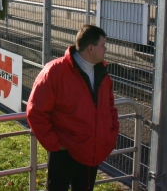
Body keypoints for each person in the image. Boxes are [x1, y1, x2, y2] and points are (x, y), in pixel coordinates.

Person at [26, 24, 119, 191]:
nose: (105, 49)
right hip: (64, 152)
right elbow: (36, 111)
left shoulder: (101, 72)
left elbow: (110, 106)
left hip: (92, 150)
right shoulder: (55, 71)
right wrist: (56, 144)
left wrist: (111, 133)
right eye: (103, 45)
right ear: (91, 48)